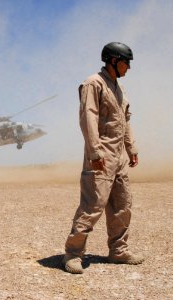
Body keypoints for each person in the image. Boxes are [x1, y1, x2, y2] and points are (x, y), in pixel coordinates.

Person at [63, 42, 144, 274]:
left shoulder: (119, 89)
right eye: (125, 62)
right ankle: (73, 254)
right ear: (112, 61)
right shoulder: (93, 83)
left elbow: (125, 120)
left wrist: (132, 148)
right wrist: (95, 152)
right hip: (100, 155)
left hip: (118, 157)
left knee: (122, 204)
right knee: (92, 206)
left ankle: (118, 250)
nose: (128, 67)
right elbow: (88, 117)